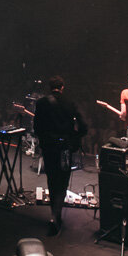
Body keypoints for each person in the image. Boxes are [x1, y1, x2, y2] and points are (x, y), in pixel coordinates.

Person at [32, 75, 87, 235]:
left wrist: (45, 138)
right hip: (65, 148)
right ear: (62, 87)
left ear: (50, 87)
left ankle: (54, 215)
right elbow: (84, 126)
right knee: (62, 181)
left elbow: (36, 127)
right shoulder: (70, 103)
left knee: (51, 179)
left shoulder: (42, 103)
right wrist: (75, 137)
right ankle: (56, 216)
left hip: (49, 147)